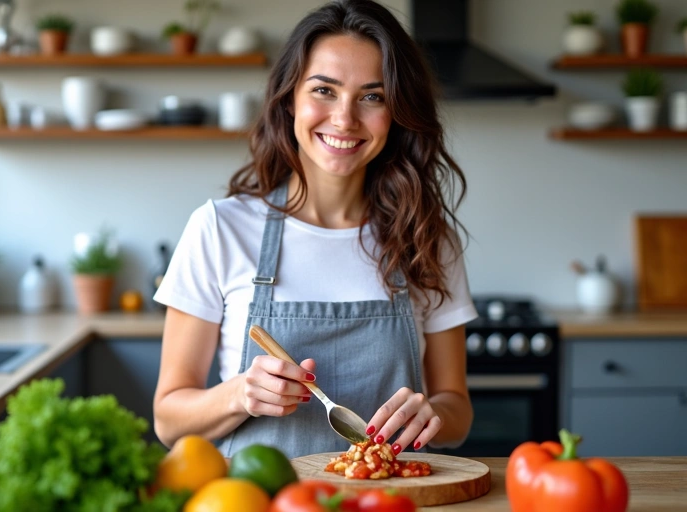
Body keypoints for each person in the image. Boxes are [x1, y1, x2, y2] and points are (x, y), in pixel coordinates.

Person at [152, 0, 477, 459]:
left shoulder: (425, 236)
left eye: (372, 96)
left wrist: (434, 414)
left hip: (389, 502)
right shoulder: (219, 229)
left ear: (397, 113)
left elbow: (457, 409)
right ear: (289, 100)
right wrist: (239, 394)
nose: (345, 118)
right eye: (324, 90)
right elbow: (168, 419)